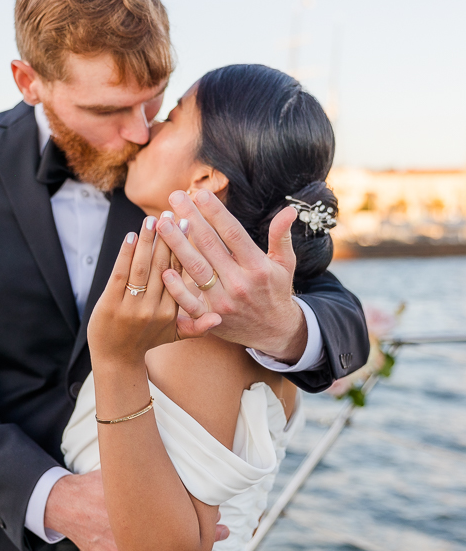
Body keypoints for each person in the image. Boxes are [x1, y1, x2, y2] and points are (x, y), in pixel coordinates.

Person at [0, 0, 369, 551]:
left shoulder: (183, 172)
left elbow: (334, 308)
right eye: (107, 110)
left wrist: (285, 327)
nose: (140, 131)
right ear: (28, 81)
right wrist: (53, 497)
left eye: (154, 101)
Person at [64, 64, 339, 550]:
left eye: (169, 119)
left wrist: (114, 359)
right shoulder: (229, 307)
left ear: (206, 178)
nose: (145, 131)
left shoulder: (202, 325)